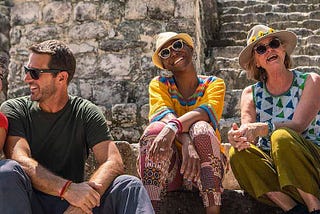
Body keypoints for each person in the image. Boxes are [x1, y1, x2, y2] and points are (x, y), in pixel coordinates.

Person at [0, 40, 154, 214]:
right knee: (6, 171)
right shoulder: (14, 109)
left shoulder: (85, 111)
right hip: (31, 203)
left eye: (34, 73)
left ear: (61, 78)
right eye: (27, 71)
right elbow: (20, 159)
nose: (26, 78)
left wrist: (82, 203)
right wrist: (67, 189)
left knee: (129, 185)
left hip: (74, 205)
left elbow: (113, 161)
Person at [227, 24, 320, 214]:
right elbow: (248, 135)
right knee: (237, 154)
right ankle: (293, 209)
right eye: (261, 49)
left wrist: (262, 128)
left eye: (274, 43)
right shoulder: (250, 94)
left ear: (283, 49)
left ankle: (314, 207)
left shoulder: (310, 81)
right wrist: (238, 138)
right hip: (278, 173)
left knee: (282, 137)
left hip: (312, 165)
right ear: (257, 62)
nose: (270, 49)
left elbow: (299, 125)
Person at [137, 32, 227, 214]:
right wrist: (186, 142)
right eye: (165, 53)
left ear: (190, 48)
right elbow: (163, 114)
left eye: (177, 45)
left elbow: (204, 113)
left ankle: (213, 210)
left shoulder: (214, 84)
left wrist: (175, 128)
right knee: (155, 131)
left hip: (205, 168)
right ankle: (149, 210)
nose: (173, 53)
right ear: (163, 64)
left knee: (201, 128)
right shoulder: (159, 84)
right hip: (172, 169)